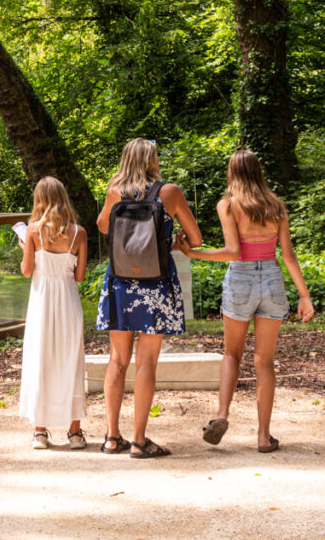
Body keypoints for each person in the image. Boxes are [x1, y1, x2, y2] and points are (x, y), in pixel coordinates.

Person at [179, 150, 315, 452]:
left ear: (232, 173)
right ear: (258, 171)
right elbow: (288, 257)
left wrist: (192, 253)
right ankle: (264, 437)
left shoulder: (229, 205)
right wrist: (304, 296)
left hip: (240, 280)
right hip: (271, 279)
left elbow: (232, 252)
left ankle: (222, 415)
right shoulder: (276, 206)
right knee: (264, 361)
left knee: (232, 354)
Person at [96, 138, 202, 458]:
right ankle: (140, 440)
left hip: (120, 283)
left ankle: (112, 437)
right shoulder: (169, 192)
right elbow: (195, 239)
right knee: (147, 362)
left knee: (117, 361)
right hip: (155, 285)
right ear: (152, 160)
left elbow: (103, 227)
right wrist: (176, 238)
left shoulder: (115, 190)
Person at [18, 177, 89, 450]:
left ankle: (39, 431)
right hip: (68, 300)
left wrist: (26, 248)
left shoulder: (33, 232)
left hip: (42, 302)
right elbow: (80, 276)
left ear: (40, 200)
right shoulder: (79, 233)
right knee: (70, 360)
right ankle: (74, 432)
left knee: (41, 358)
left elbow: (27, 271)